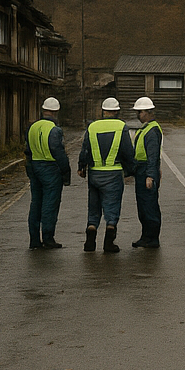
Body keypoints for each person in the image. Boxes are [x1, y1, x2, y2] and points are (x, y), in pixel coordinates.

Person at [78, 96, 135, 253]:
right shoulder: (122, 127)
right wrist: (130, 170)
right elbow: (127, 151)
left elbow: (85, 149)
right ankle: (109, 244)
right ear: (117, 111)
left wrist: (81, 167)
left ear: (103, 111)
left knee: (93, 207)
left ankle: (89, 242)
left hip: (94, 173)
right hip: (113, 173)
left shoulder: (92, 127)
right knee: (112, 207)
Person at [25, 96, 71, 249]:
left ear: (43, 110)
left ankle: (34, 239)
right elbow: (58, 151)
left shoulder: (31, 127)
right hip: (50, 168)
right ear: (56, 112)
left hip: (34, 166)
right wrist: (66, 172)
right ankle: (48, 238)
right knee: (50, 204)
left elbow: (27, 150)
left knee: (36, 203)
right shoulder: (54, 130)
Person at [130, 96, 163, 248]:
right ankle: (146, 236)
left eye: (140, 112)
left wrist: (151, 175)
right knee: (143, 206)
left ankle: (152, 238)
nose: (138, 115)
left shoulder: (151, 131)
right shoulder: (146, 128)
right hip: (142, 170)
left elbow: (152, 155)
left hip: (146, 171)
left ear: (149, 112)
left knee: (149, 206)